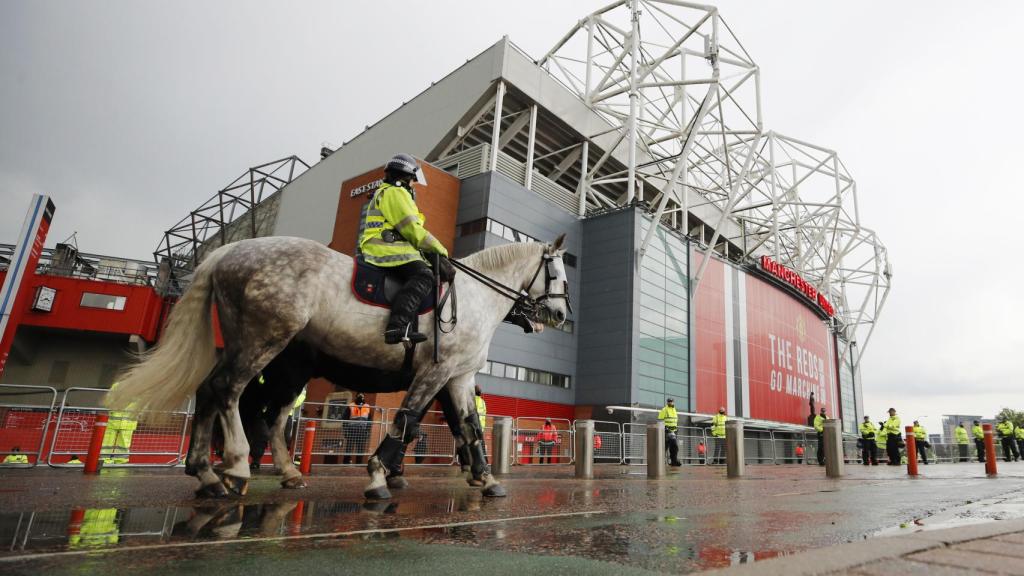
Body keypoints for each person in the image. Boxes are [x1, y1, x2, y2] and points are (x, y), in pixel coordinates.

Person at [358, 153, 454, 345]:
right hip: (386, 248)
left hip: (390, 247)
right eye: (413, 182)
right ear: (405, 178)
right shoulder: (395, 193)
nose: (414, 186)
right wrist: (440, 251)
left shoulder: (389, 192)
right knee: (424, 275)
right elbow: (412, 229)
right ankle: (397, 326)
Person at [103, 382, 137, 465]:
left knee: (108, 443)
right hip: (127, 421)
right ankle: (120, 462)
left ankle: (105, 460)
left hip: (116, 420)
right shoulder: (139, 385)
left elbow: (108, 400)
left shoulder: (117, 385)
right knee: (122, 444)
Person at [343, 393, 372, 465]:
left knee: (361, 448)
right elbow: (345, 418)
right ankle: (346, 463)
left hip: (362, 431)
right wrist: (345, 430)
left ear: (364, 397)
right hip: (352, 430)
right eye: (359, 396)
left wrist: (368, 431)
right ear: (356, 397)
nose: (361, 397)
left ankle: (359, 463)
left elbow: (369, 420)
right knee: (349, 447)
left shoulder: (367, 406)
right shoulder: (351, 406)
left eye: (362, 396)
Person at [658, 398, 682, 467]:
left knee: (671, 447)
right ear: (667, 402)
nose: (670, 403)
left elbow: (675, 421)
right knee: (670, 447)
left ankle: (673, 461)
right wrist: (664, 428)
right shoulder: (664, 410)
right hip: (667, 431)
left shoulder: (674, 410)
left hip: (673, 431)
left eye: (671, 401)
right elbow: (660, 420)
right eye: (669, 401)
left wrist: (676, 428)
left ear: (673, 402)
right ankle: (671, 461)